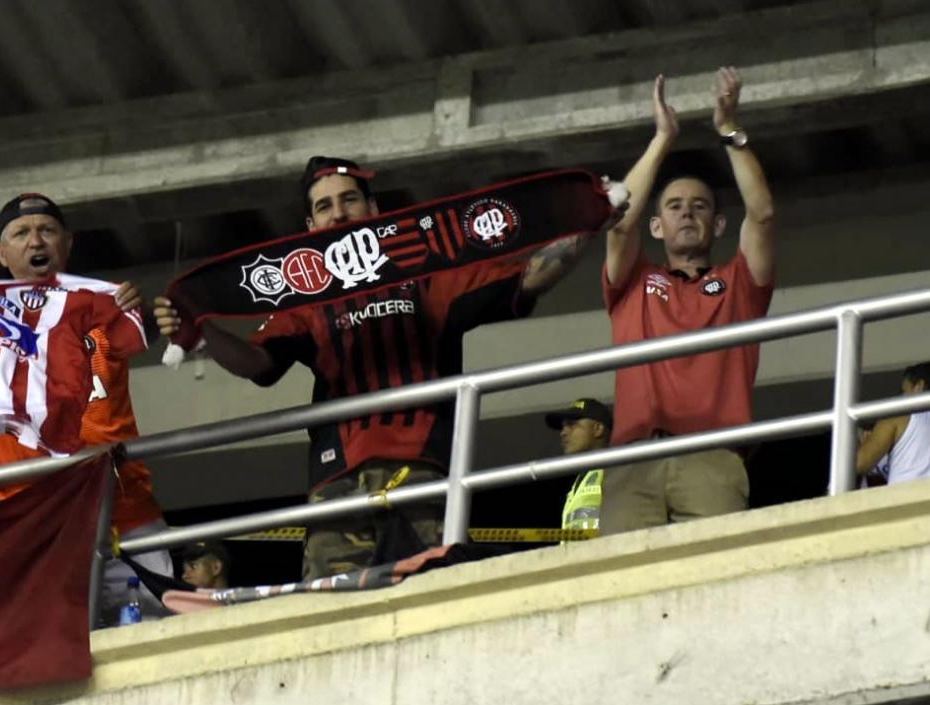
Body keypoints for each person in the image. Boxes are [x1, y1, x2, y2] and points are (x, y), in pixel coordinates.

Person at [155, 156, 604, 580]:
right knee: (334, 616)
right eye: (324, 207)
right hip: (336, 484)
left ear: (374, 208)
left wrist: (590, 220)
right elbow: (258, 363)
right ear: (310, 226)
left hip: (424, 473)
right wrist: (201, 335)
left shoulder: (423, 273)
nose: (339, 214)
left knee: (435, 603)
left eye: (349, 199)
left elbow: (526, 279)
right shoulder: (307, 296)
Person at [0, 193, 173, 624]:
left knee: (158, 642)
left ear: (68, 242)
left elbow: (156, 329)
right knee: (57, 646)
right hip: (37, 515)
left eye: (47, 230)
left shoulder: (106, 306)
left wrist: (160, 316)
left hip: (125, 508)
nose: (35, 241)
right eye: (21, 233)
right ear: (0, 253)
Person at [599, 67, 776, 534]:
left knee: (714, 582)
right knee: (619, 586)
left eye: (700, 206)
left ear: (718, 225)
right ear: (656, 227)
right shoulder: (634, 282)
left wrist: (729, 131)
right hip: (634, 458)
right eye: (674, 207)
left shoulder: (739, 283)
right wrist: (662, 138)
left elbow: (762, 213)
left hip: (713, 457)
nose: (687, 214)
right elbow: (618, 220)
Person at [544, 398, 612, 532]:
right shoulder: (580, 482)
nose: (563, 432)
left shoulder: (616, 472)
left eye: (572, 425)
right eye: (563, 426)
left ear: (598, 429)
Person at [856, 362, 930, 485]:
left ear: (918, 387)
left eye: (903, 391)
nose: (901, 397)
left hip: (909, 500)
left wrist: (862, 442)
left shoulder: (898, 415)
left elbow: (860, 463)